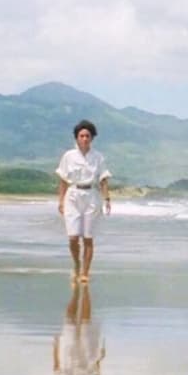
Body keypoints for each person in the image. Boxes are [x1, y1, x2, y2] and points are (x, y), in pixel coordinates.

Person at [55, 119, 112, 284]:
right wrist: (60, 201)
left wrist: (107, 198)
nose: (85, 139)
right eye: (81, 136)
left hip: (92, 196)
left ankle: (85, 272)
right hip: (73, 196)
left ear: (92, 138)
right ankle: (77, 264)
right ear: (76, 138)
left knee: (88, 238)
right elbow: (63, 180)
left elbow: (103, 179)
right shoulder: (68, 156)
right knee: (73, 237)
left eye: (88, 136)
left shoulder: (98, 157)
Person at [53, 284, 105, 375]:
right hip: (85, 357)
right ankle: (81, 291)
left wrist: (56, 346)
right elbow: (96, 373)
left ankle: (77, 292)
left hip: (68, 356)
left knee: (71, 322)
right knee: (84, 322)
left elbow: (56, 369)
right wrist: (100, 356)